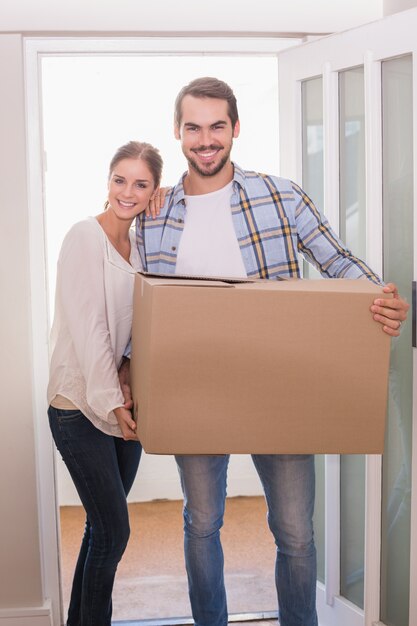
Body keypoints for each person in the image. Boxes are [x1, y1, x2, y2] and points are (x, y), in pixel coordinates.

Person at [132, 77, 409, 626]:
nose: (205, 140)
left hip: (279, 385)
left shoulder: (280, 194)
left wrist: (381, 297)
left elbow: (337, 259)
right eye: (193, 128)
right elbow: (133, 299)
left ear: (235, 129)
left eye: (217, 127)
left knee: (294, 531)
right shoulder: (155, 211)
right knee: (202, 522)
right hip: (194, 387)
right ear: (178, 132)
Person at [47, 140, 163, 626]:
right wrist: (116, 405)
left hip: (118, 400)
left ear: (154, 190)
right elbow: (91, 329)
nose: (128, 192)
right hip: (79, 404)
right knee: (114, 533)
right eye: (120, 180)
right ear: (107, 180)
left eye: (142, 184)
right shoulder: (83, 237)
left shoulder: (140, 245)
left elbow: (139, 325)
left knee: (101, 530)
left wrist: (126, 388)